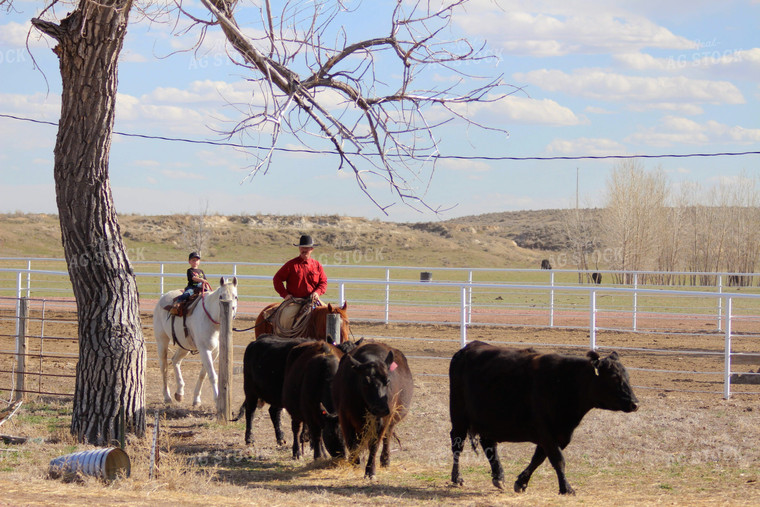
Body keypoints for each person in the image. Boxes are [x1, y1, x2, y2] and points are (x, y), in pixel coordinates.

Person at [273, 235, 327, 305]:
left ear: (311, 249)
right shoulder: (291, 265)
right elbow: (277, 279)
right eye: (302, 247)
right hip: (295, 301)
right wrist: (285, 295)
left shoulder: (317, 265)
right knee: (288, 315)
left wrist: (317, 293)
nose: (304, 250)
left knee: (327, 313)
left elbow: (323, 282)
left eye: (306, 248)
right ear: (299, 248)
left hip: (312, 301)